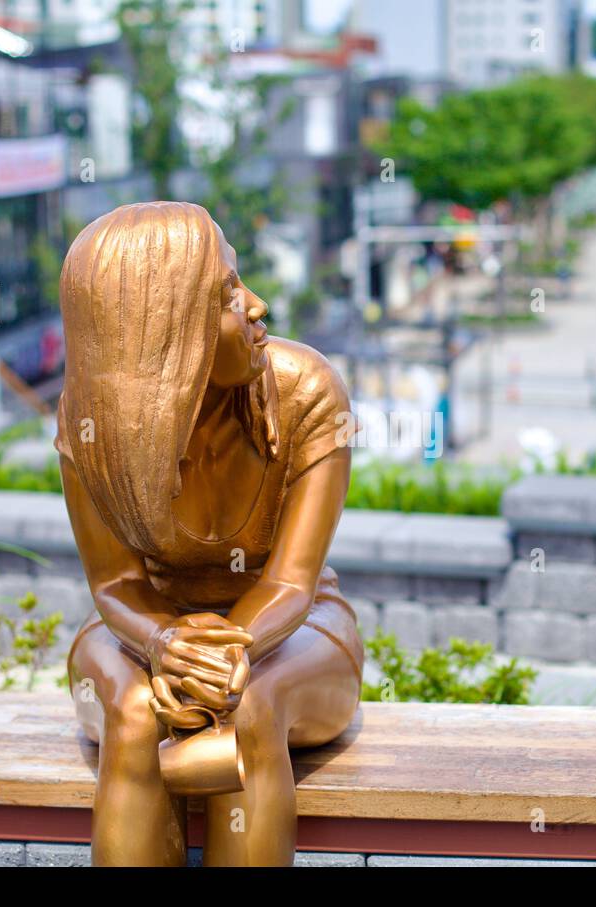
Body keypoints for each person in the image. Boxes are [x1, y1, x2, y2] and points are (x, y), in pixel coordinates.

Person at [55, 202, 363, 866]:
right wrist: (164, 642)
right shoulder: (93, 422)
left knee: (249, 704)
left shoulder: (308, 392)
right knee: (135, 714)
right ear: (166, 329)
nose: (257, 305)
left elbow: (291, 582)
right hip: (140, 631)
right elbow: (115, 585)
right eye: (227, 297)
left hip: (297, 630)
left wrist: (219, 658)